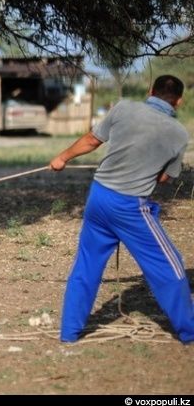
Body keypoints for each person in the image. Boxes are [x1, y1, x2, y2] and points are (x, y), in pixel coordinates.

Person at [49, 75, 193, 343]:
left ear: (151, 91)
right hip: (129, 207)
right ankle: (189, 330)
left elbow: (92, 140)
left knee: (86, 265)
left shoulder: (124, 107)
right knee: (171, 267)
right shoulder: (179, 133)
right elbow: (163, 179)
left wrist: (62, 158)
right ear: (179, 101)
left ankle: (69, 333)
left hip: (98, 197)